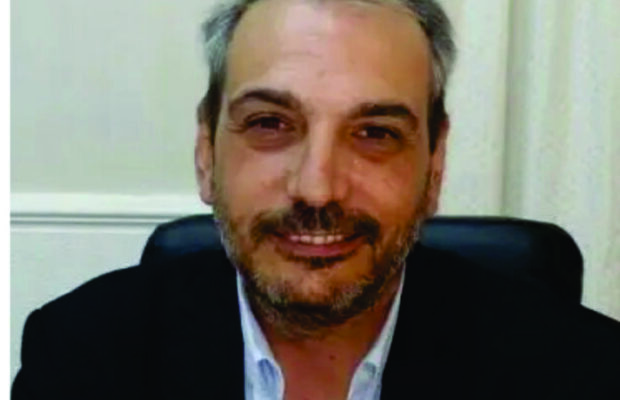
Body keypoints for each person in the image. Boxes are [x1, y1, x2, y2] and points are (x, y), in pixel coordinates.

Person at [12, 0, 620, 399]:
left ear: (435, 165)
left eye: (375, 133)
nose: (317, 188)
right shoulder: (81, 356)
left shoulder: (581, 373)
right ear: (205, 150)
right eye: (270, 124)